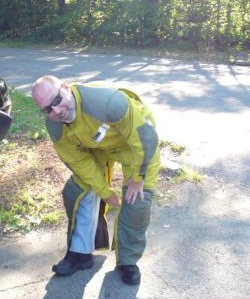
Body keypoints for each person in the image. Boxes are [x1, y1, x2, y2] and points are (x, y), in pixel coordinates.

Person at [31, 75, 160, 285]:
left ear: (66, 87)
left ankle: (127, 261)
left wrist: (138, 179)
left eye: (56, 100)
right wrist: (105, 192)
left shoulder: (109, 103)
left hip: (137, 145)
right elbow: (80, 162)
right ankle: (80, 253)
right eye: (47, 109)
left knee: (138, 202)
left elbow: (144, 139)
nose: (56, 111)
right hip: (100, 145)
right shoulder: (56, 126)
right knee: (77, 190)